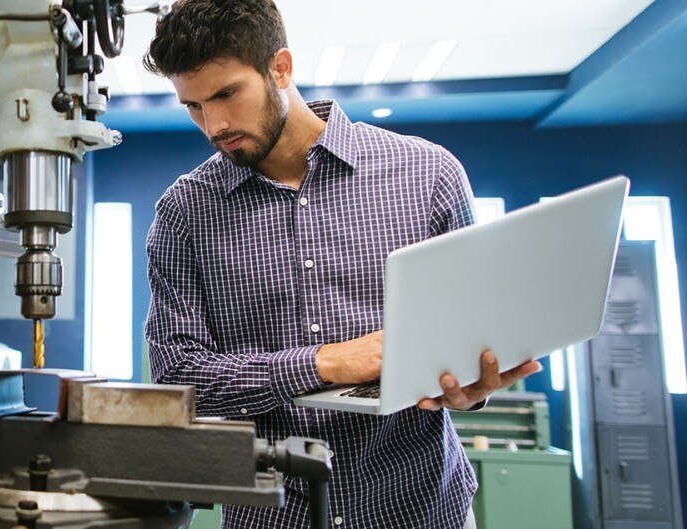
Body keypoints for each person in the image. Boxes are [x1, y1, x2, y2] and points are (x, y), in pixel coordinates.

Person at [141, 1, 542, 528]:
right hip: (271, 514)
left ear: (280, 68)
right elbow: (179, 377)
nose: (213, 125)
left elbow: (471, 335)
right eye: (193, 106)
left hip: (419, 506)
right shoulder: (184, 213)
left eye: (226, 94)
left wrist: (470, 387)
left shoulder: (428, 174)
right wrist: (323, 363)